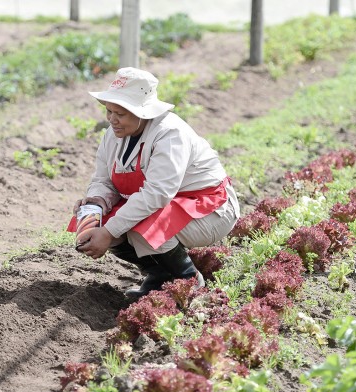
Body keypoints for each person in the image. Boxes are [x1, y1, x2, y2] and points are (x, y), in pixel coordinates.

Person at [71, 67, 239, 299]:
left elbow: (157, 194)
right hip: (168, 204)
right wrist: (98, 201)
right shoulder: (114, 133)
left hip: (208, 207)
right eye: (109, 111)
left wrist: (109, 233)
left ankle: (189, 281)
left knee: (141, 227)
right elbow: (103, 179)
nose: (112, 119)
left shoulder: (170, 134)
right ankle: (158, 275)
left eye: (120, 113)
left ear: (142, 112)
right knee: (99, 220)